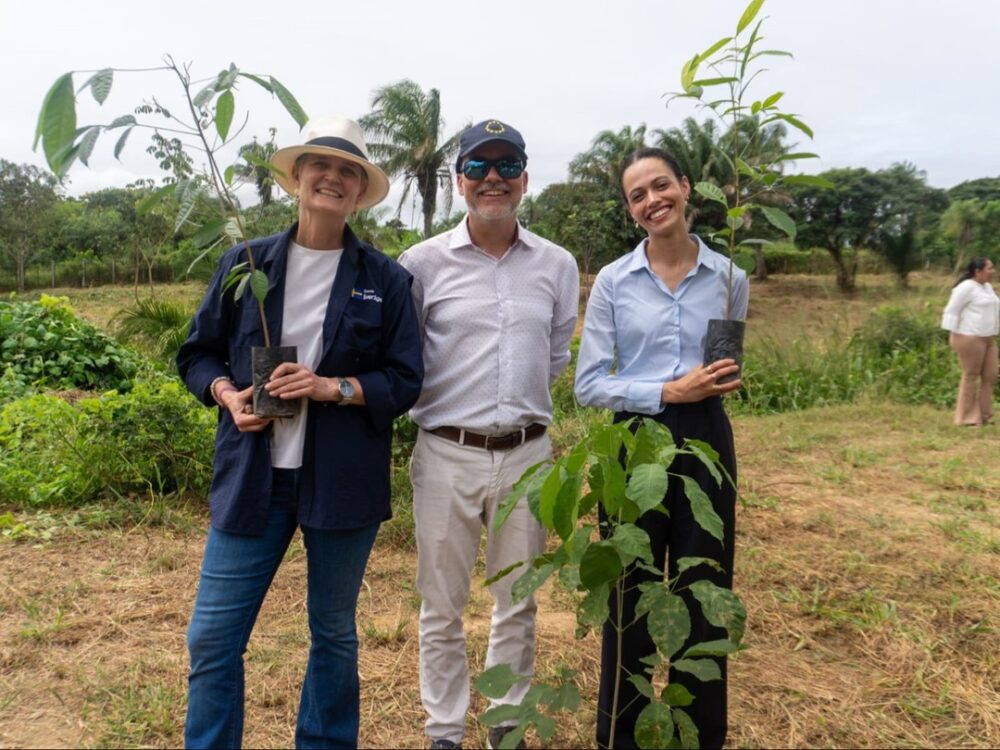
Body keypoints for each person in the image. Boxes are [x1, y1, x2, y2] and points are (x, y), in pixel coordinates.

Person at [176, 116, 423, 749]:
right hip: (252, 478)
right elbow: (197, 354)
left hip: (340, 480)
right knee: (213, 636)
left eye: (349, 172)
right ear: (296, 177)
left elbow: (404, 380)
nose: (333, 178)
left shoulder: (385, 280)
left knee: (333, 632)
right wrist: (227, 394)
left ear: (360, 192)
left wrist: (332, 387)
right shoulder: (246, 263)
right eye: (321, 166)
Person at [398, 119, 579, 750]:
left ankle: (506, 721)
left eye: (506, 166)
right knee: (441, 604)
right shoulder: (421, 264)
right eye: (478, 166)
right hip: (446, 451)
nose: (492, 178)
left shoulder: (557, 264)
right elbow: (406, 356)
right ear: (459, 181)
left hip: (528, 453)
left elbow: (554, 355)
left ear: (525, 178)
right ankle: (444, 730)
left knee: (517, 598)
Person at [574, 147, 748, 750]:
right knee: (630, 587)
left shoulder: (730, 277)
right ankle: (620, 735)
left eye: (660, 185)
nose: (652, 201)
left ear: (686, 186)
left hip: (706, 437)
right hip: (634, 441)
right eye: (637, 195)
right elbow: (589, 384)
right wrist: (667, 391)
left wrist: (716, 381)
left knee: (705, 583)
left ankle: (700, 736)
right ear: (631, 210)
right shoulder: (613, 282)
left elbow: (728, 366)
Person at [941, 257, 999, 426]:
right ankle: (967, 418)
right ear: (977, 272)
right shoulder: (965, 287)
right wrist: (954, 335)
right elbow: (951, 310)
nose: (993, 271)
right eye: (989, 268)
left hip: (989, 337)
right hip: (970, 337)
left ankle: (985, 414)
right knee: (971, 375)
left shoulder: (987, 287)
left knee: (990, 375)